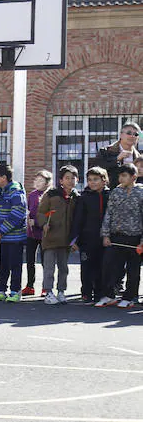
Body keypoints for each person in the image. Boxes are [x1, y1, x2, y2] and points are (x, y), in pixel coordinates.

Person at [96, 163, 143, 309]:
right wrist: (105, 235)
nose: (120, 178)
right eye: (119, 175)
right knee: (109, 267)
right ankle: (109, 295)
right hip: (115, 236)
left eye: (124, 175)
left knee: (133, 270)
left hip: (135, 237)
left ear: (134, 177)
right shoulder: (116, 192)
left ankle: (129, 297)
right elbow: (108, 214)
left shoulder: (141, 193)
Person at [0, 164, 28, 303]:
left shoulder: (17, 192)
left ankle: (15, 292)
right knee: (1, 265)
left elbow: (18, 214)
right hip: (0, 237)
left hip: (15, 237)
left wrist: (2, 229)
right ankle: (1, 291)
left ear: (4, 177)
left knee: (15, 265)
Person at [37, 165, 80, 305]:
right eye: (67, 178)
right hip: (50, 238)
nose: (70, 181)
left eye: (73, 178)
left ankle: (61, 291)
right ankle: (48, 292)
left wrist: (75, 239)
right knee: (49, 267)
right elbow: (41, 212)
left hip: (66, 239)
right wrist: (44, 224)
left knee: (64, 268)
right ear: (61, 180)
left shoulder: (76, 197)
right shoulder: (51, 194)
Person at [70, 167, 110, 304]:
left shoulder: (110, 196)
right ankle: (86, 293)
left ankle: (100, 293)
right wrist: (74, 239)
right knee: (87, 266)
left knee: (102, 267)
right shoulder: (84, 198)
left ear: (104, 181)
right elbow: (78, 220)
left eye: (95, 179)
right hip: (87, 239)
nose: (92, 183)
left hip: (105, 239)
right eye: (89, 180)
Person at [24, 170, 52, 296]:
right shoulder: (32, 195)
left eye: (41, 181)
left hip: (44, 234)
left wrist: (37, 222)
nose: (37, 183)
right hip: (31, 234)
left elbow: (50, 215)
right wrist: (28, 220)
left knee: (45, 261)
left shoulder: (50, 195)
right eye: (36, 180)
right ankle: (30, 285)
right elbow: (29, 210)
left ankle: (46, 287)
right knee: (30, 260)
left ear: (47, 183)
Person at [97, 122, 141, 189]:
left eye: (136, 134)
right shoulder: (105, 151)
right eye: (129, 133)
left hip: (133, 195)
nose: (132, 136)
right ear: (121, 135)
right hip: (110, 192)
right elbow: (98, 169)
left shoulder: (139, 157)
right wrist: (117, 159)